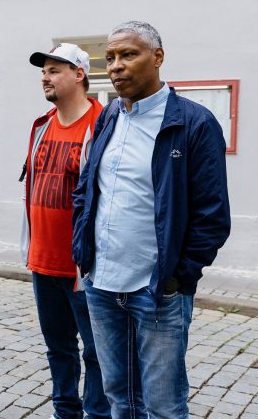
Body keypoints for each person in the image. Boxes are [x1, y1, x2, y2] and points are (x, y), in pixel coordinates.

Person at [72, 21, 231, 418]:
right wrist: (84, 254)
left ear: (157, 57)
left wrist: (179, 275)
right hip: (102, 283)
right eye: (110, 58)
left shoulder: (193, 122)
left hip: (158, 288)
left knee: (163, 406)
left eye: (129, 55)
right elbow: (88, 188)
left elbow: (212, 215)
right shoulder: (108, 117)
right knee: (119, 398)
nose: (116, 66)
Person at [21, 43, 110, 419]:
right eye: (44, 70)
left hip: (84, 267)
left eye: (55, 69)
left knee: (97, 351)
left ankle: (97, 414)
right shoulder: (41, 126)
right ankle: (64, 412)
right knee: (57, 347)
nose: (46, 76)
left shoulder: (104, 124)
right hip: (42, 260)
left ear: (79, 75)